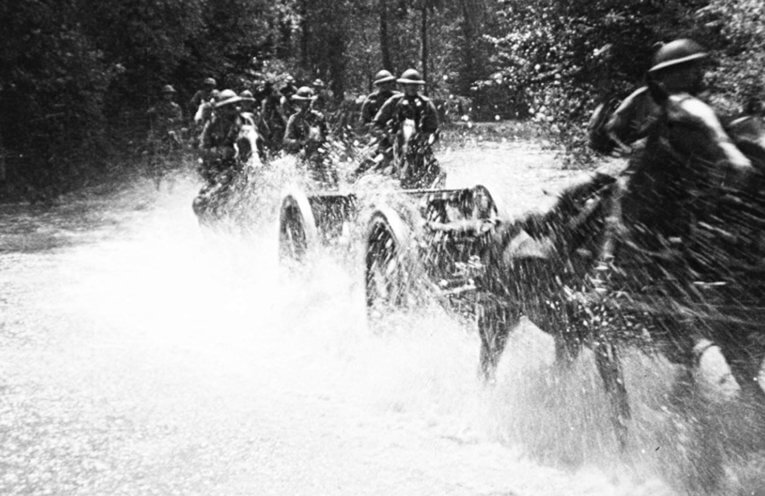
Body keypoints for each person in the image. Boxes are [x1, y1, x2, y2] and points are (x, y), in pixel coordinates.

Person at [599, 39, 709, 154]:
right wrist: (625, 147)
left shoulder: (691, 95)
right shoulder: (641, 96)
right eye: (673, 71)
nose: (687, 74)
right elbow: (611, 126)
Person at [369, 69, 441, 187]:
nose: (412, 88)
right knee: (378, 168)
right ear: (403, 86)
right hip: (393, 146)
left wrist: (426, 140)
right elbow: (376, 125)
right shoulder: (394, 102)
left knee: (435, 170)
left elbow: (434, 129)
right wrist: (387, 136)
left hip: (419, 146)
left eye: (415, 85)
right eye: (409, 85)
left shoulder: (426, 104)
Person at [283, 86, 337, 186]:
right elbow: (286, 140)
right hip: (302, 152)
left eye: (308, 102)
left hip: (319, 152)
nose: (306, 104)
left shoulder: (319, 117)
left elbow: (328, 137)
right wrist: (301, 142)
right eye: (302, 102)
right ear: (298, 103)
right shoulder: (294, 119)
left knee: (330, 167)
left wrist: (324, 144)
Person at [198, 89, 247, 185]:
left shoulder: (243, 120)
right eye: (229, 106)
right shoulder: (212, 124)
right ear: (221, 109)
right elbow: (203, 148)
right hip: (219, 164)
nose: (234, 108)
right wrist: (219, 152)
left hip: (241, 162)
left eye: (235, 105)